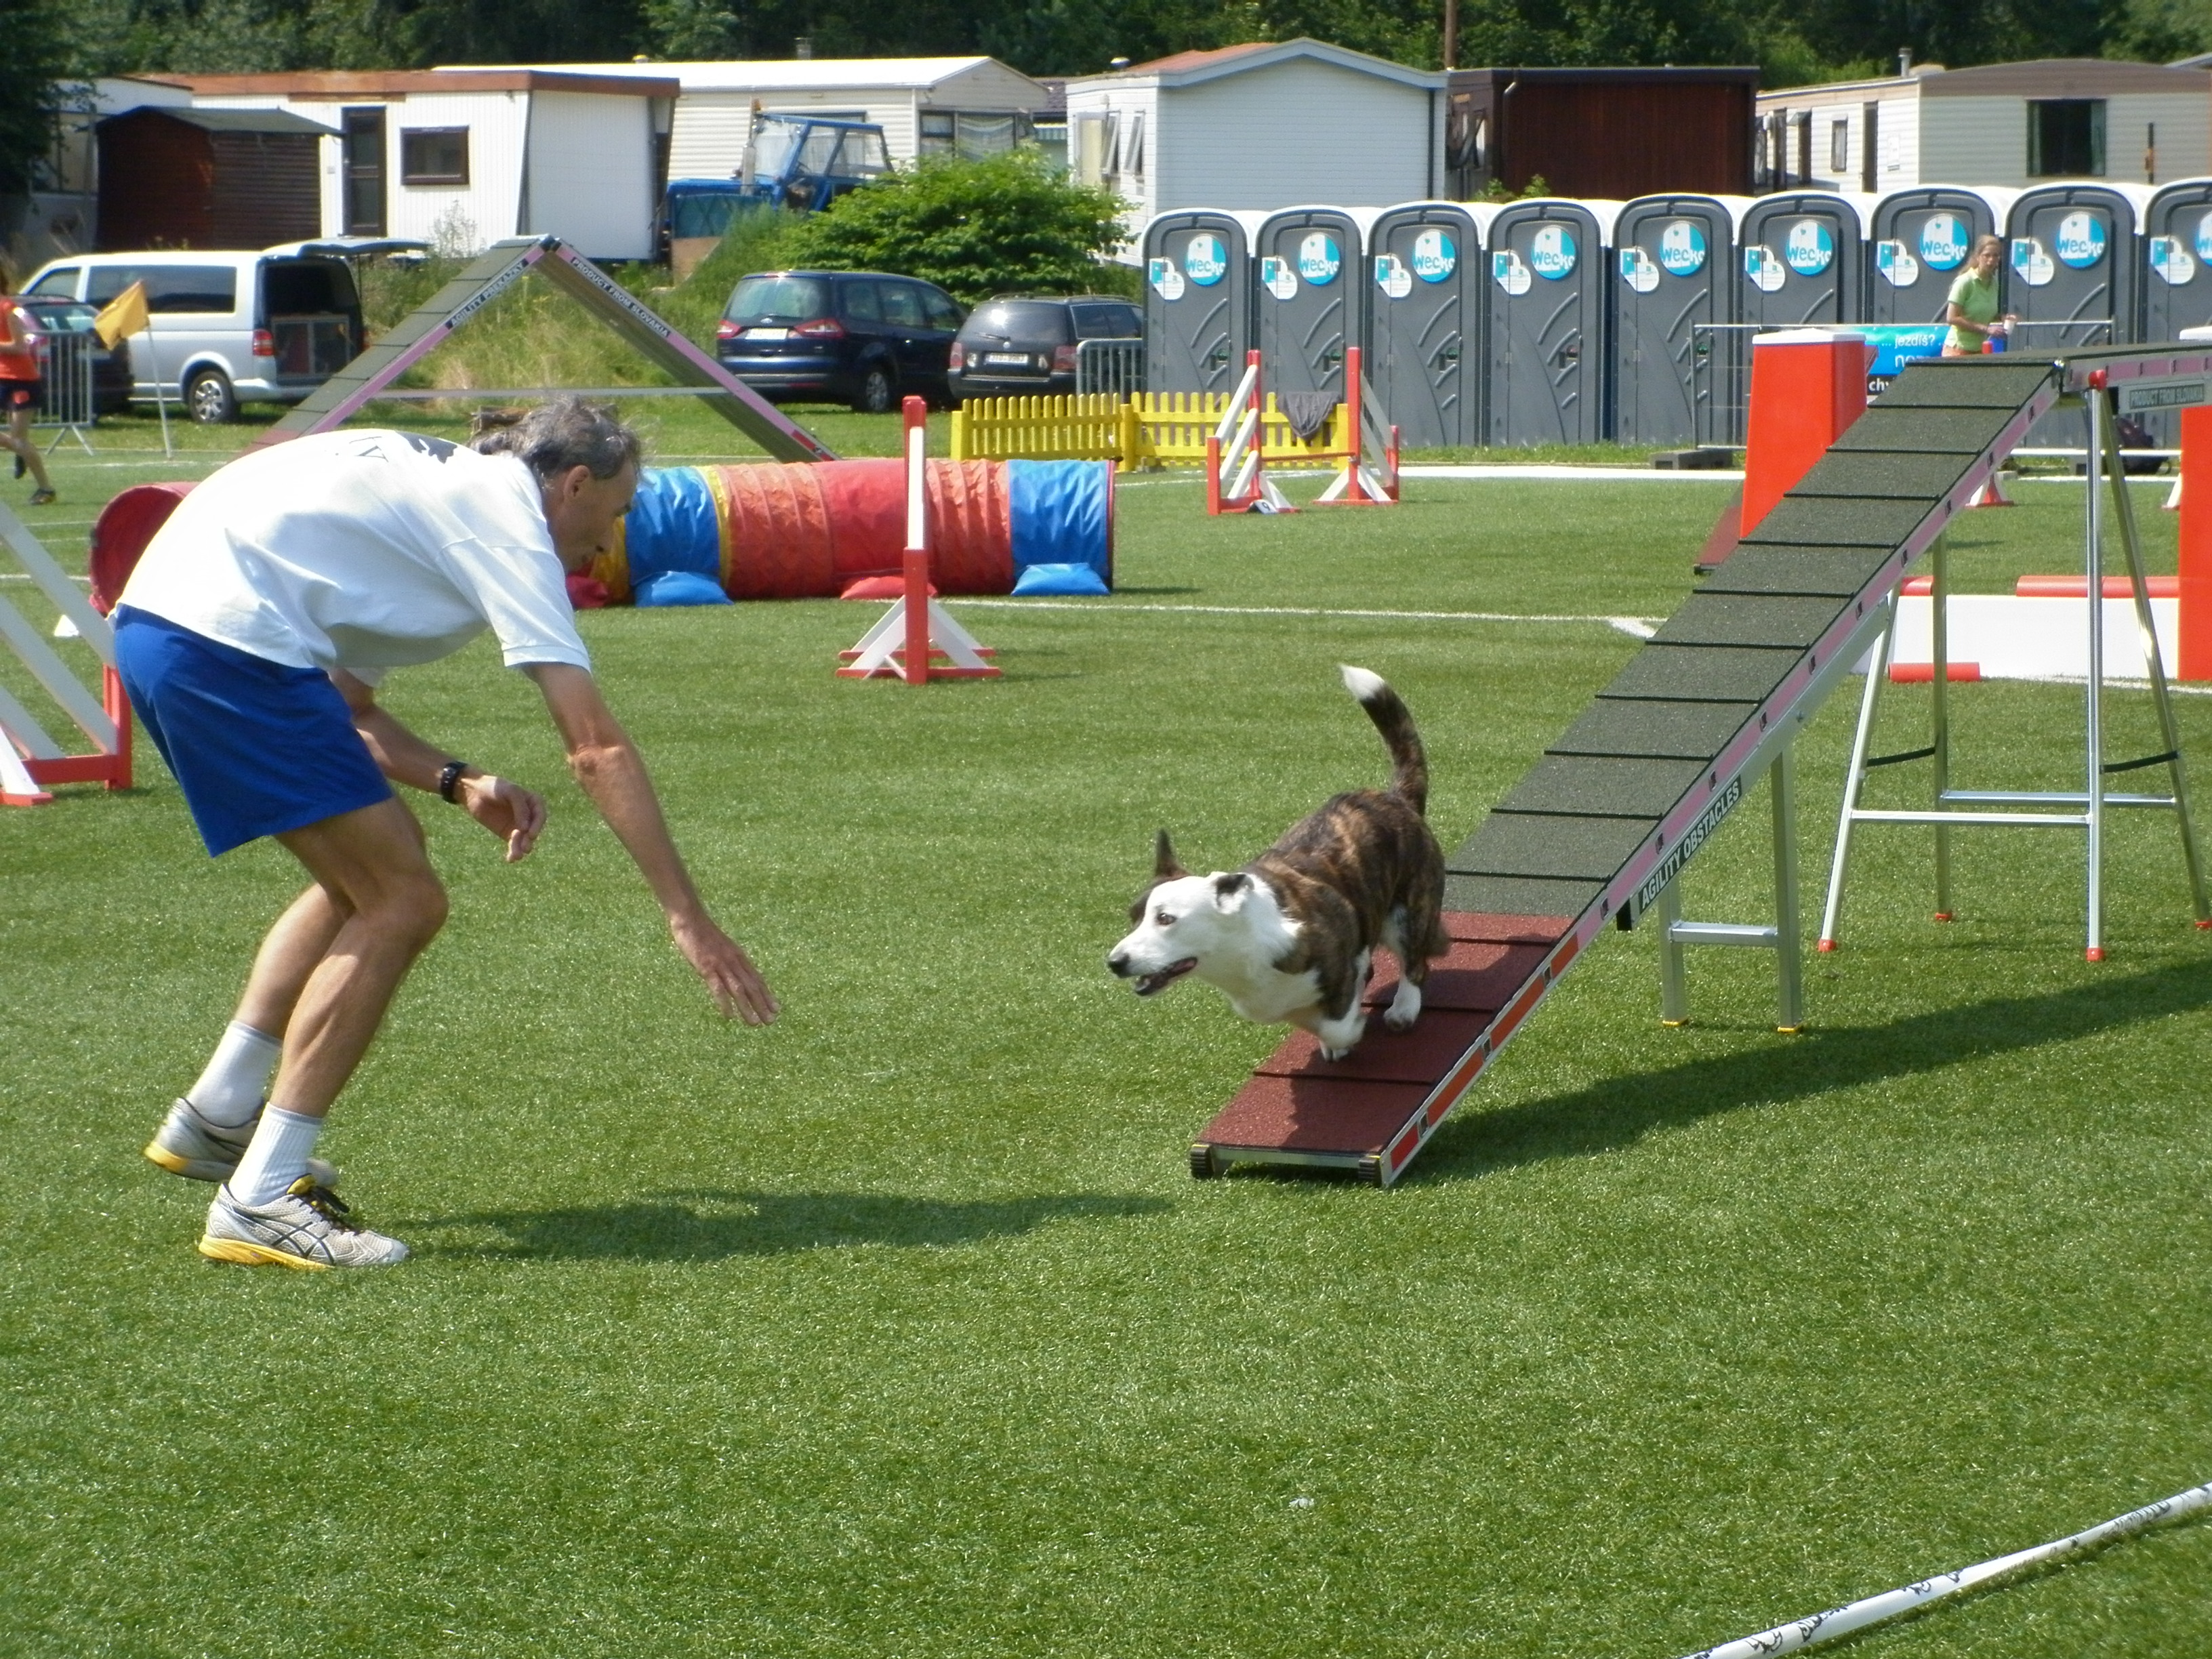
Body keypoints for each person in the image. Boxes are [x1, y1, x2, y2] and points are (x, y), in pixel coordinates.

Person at [117, 400, 778, 1269]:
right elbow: (594, 747)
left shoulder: (446, 505)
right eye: (615, 513)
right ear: (573, 484)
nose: (612, 544)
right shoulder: (506, 526)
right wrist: (687, 917)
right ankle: (263, 1196)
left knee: (369, 876)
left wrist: (455, 780)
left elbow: (349, 712)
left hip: (169, 629)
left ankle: (218, 1118)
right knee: (401, 900)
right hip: (220, 644)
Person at [0, 266, 58, 506]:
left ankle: (46, 489)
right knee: (18, 442)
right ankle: (21, 451)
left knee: (20, 439)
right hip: (3, 378)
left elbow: (20, 347)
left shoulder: (9, 309)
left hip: (21, 380)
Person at [1944, 234, 2015, 358]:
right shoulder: (1965, 282)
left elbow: (1982, 313)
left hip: (1978, 350)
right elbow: (1952, 318)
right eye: (1987, 255)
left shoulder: (1994, 283)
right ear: (1978, 257)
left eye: (1996, 256)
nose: (1991, 260)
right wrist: (1986, 329)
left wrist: (2002, 318)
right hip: (1957, 350)